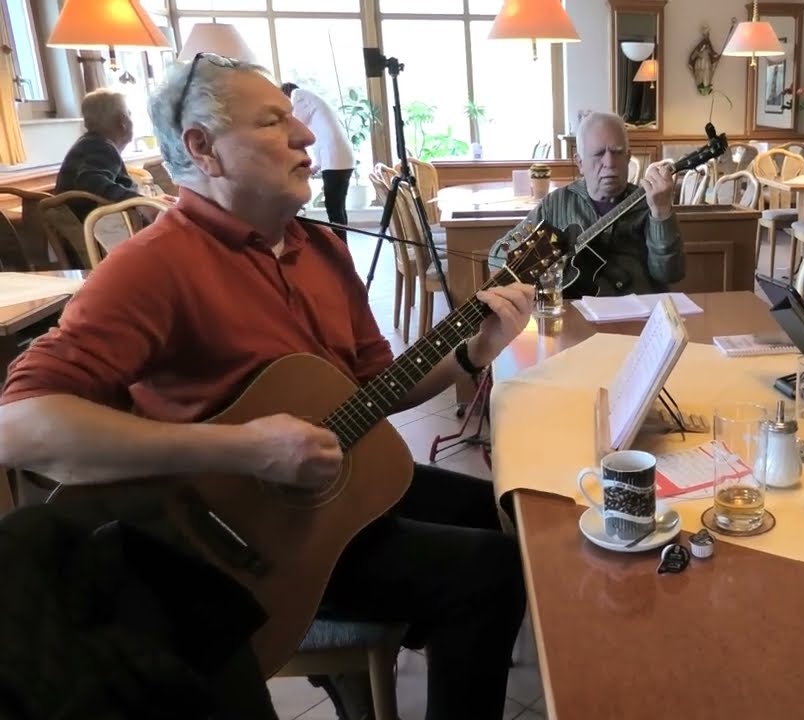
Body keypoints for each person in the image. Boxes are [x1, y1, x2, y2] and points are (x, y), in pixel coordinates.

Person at [0, 55, 533, 720]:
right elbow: (18, 423)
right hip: (231, 552)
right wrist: (245, 449)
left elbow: (376, 385)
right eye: (275, 122)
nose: (307, 137)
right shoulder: (154, 265)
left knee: (510, 517)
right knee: (488, 573)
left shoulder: (320, 248)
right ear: (202, 148)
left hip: (333, 493)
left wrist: (471, 353)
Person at [488, 111, 681, 297]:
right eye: (598, 154)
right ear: (579, 163)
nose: (609, 162)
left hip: (639, 319)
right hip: (574, 319)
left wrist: (661, 214)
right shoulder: (555, 204)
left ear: (628, 158)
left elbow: (670, 274)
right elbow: (497, 257)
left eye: (617, 152)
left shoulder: (650, 202)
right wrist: (544, 271)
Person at [55, 88, 156, 221]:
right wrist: (138, 201)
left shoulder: (90, 144)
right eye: (129, 114)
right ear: (122, 121)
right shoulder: (101, 147)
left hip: (88, 229)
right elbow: (90, 181)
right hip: (99, 231)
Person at [282, 82, 357, 241]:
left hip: (336, 158)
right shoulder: (312, 104)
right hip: (339, 157)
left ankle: (340, 246)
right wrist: (316, 165)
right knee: (337, 206)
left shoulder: (298, 95)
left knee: (334, 207)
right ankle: (342, 244)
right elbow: (318, 137)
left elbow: (295, 124)